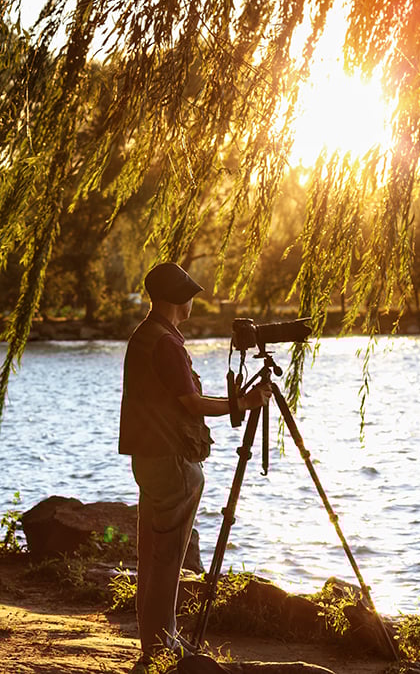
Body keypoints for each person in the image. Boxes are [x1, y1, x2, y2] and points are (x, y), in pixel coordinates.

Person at [119, 262, 272, 674]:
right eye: (188, 295)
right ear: (176, 299)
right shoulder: (165, 344)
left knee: (152, 553)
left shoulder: (145, 336)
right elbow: (192, 404)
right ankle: (161, 646)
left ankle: (159, 640)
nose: (192, 302)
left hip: (148, 458)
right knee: (167, 556)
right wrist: (244, 403)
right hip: (171, 461)